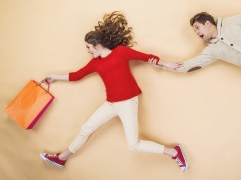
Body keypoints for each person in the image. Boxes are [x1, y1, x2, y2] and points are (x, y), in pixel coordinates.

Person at [39, 11, 188, 172]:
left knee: (133, 145)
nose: (88, 50)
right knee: (85, 129)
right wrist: (54, 77)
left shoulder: (121, 52)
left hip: (127, 103)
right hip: (111, 104)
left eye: (88, 47)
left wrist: (167, 64)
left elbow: (146, 57)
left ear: (97, 45)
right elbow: (76, 75)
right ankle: (62, 159)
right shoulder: (95, 63)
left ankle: (174, 152)